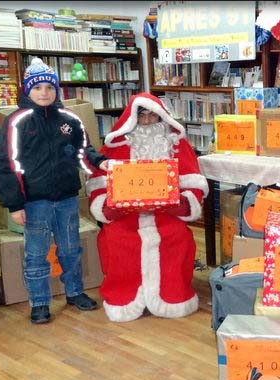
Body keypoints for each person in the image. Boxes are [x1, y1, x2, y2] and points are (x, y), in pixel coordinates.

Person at [0, 58, 107, 324]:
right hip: (34, 202)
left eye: (49, 87)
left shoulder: (70, 119)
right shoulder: (16, 121)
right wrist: (15, 204)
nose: (44, 92)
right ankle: (40, 303)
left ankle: (75, 292)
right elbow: (6, 163)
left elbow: (83, 151)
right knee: (36, 254)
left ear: (57, 90)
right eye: (38, 88)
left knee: (70, 249)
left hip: (66, 198)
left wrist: (101, 162)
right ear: (27, 91)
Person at [86, 92, 208, 322]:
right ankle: (126, 298)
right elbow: (97, 185)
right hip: (126, 218)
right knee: (116, 241)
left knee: (178, 238)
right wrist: (108, 207)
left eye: (154, 115)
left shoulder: (176, 144)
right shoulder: (116, 146)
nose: (149, 120)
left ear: (162, 116)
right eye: (142, 116)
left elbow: (194, 180)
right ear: (133, 118)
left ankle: (173, 296)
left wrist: (183, 203)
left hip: (167, 216)